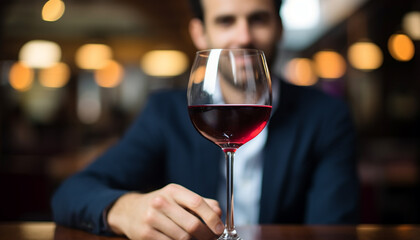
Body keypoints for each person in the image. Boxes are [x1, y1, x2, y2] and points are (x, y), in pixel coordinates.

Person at [52, 0, 360, 239]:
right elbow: (71, 193)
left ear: (279, 27)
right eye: (226, 20)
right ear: (199, 32)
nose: (244, 36)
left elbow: (332, 231)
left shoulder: (326, 117)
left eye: (258, 19)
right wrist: (125, 209)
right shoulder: (166, 113)